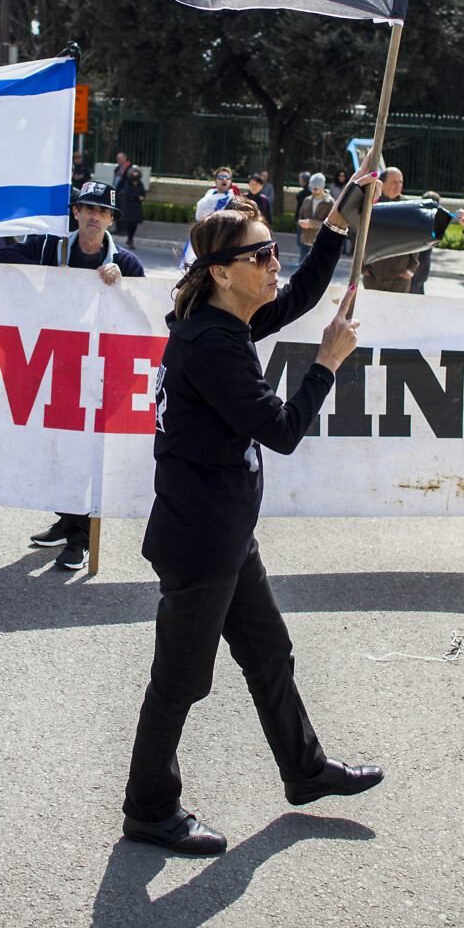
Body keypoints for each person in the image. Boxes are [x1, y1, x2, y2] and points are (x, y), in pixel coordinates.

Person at [122, 189, 379, 858]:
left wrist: (337, 223)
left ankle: (304, 769)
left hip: (227, 532)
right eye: (260, 255)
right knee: (179, 681)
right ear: (221, 271)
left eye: (273, 251)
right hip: (201, 539)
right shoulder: (212, 344)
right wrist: (327, 362)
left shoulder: (227, 321)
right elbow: (283, 431)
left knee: (269, 653)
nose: (274, 265)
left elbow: (296, 298)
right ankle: (149, 807)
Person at [0, 181, 148, 571]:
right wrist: (49, 279)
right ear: (75, 213)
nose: (94, 216)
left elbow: (146, 318)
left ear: (112, 218)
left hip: (101, 376)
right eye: (87, 209)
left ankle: (80, 540)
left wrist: (123, 289)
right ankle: (67, 520)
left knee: (86, 457)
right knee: (56, 452)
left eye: (102, 211)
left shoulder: (126, 264)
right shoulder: (50, 248)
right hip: (54, 368)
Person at [359, 166, 419, 293]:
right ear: (382, 183)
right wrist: (363, 267)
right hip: (373, 275)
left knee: (398, 312)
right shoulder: (371, 205)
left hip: (400, 276)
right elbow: (360, 234)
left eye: (401, 181)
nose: (399, 185)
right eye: (394, 182)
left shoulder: (409, 207)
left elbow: (415, 237)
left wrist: (411, 269)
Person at [113, 151, 146, 245]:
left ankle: (126, 233)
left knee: (133, 221)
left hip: (132, 203)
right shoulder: (118, 169)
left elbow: (142, 193)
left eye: (120, 158)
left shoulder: (129, 169)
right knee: (119, 211)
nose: (118, 160)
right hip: (122, 197)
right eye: (117, 158)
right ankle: (120, 229)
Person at [296, 173, 333, 254]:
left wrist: (312, 224)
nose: (313, 191)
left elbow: (331, 224)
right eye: (311, 188)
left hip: (320, 242)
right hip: (305, 241)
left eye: (316, 189)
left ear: (322, 187)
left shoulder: (329, 202)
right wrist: (301, 222)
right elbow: (299, 217)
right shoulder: (307, 200)